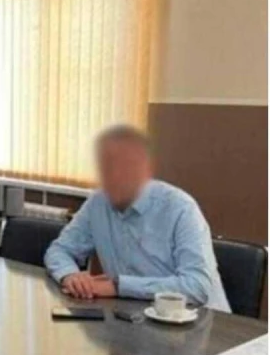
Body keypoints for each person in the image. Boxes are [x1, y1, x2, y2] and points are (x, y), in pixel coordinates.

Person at [44, 124, 230, 312]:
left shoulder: (180, 208)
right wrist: (70, 275)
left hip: (204, 321)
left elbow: (197, 287)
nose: (116, 175)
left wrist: (118, 286)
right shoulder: (98, 203)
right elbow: (59, 250)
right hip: (135, 317)